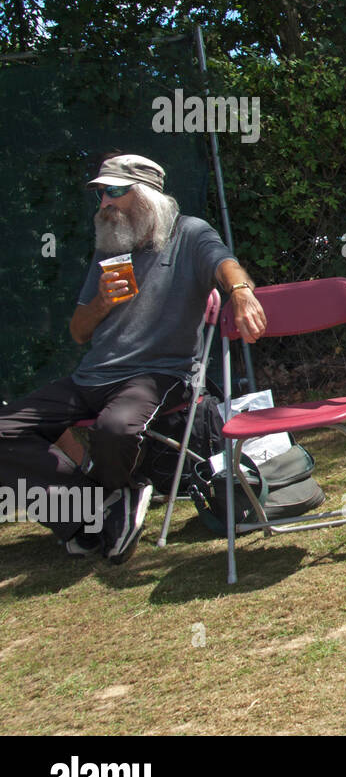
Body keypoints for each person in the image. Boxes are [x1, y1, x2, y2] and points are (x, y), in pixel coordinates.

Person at [0, 153, 266, 563]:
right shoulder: (112, 249)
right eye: (100, 194)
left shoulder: (188, 234)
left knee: (116, 429)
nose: (103, 203)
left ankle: (114, 495)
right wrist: (102, 302)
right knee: (5, 427)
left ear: (146, 196)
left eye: (113, 192)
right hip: (92, 376)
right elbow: (78, 331)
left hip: (157, 374)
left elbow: (224, 263)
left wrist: (241, 293)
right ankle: (87, 510)